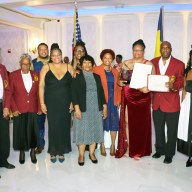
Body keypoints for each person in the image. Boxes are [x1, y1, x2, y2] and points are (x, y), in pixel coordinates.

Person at [115, 39, 155, 160]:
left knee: (140, 124)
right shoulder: (126, 62)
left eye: (140, 50)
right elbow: (119, 79)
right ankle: (129, 148)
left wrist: (148, 88)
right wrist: (119, 83)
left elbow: (153, 81)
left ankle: (139, 150)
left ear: (143, 51)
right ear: (132, 50)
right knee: (127, 123)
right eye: (135, 50)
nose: (137, 52)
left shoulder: (149, 64)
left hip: (142, 97)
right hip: (128, 96)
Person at [151, 41, 185, 164]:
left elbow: (181, 81)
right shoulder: (153, 62)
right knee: (158, 129)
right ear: (160, 49)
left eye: (167, 47)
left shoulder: (179, 64)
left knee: (171, 130)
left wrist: (173, 85)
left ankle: (169, 154)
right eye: (162, 47)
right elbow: (149, 78)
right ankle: (159, 150)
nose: (165, 49)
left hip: (172, 103)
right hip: (157, 102)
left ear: (171, 49)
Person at [39, 47, 74, 163]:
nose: (56, 57)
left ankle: (62, 150)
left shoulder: (69, 67)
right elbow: (41, 87)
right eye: (53, 55)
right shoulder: (46, 67)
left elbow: (75, 86)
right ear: (50, 56)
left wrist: (73, 102)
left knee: (64, 126)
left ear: (61, 54)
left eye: (58, 54)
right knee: (53, 126)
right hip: (51, 102)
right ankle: (53, 150)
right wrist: (42, 103)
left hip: (66, 102)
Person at [71, 55, 107, 166]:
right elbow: (74, 92)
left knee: (94, 129)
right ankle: (81, 155)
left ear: (92, 64)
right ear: (81, 65)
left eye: (89, 62)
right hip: (82, 107)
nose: (87, 65)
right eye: (84, 62)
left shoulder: (97, 76)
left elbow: (101, 92)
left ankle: (91, 153)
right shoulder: (77, 76)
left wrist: (104, 106)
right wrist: (76, 108)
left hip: (96, 108)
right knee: (82, 130)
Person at [9, 53, 41, 164]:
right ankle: (22, 152)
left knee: (33, 131)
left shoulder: (36, 75)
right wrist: (14, 108)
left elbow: (38, 93)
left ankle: (32, 152)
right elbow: (10, 94)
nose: (26, 67)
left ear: (30, 64)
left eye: (28, 64)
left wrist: (40, 107)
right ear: (20, 64)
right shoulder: (13, 75)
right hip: (19, 108)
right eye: (23, 64)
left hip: (32, 107)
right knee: (20, 131)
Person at [93, 49, 121, 156]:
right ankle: (102, 145)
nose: (108, 60)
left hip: (113, 101)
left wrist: (118, 100)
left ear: (113, 59)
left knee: (114, 123)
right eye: (105, 57)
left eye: (110, 58)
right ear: (102, 58)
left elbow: (118, 87)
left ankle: (113, 145)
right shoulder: (96, 70)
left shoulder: (115, 71)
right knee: (101, 123)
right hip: (101, 100)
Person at [32, 43, 49, 154]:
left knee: (54, 122)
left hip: (53, 96)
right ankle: (40, 144)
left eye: (45, 49)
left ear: (48, 50)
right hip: (39, 97)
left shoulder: (53, 61)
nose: (43, 51)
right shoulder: (33, 63)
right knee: (39, 122)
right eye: (41, 50)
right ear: (38, 51)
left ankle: (55, 144)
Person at [177, 49, 192, 167]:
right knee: (188, 129)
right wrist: (183, 104)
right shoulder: (187, 72)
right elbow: (185, 90)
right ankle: (190, 155)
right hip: (188, 103)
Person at [0, 63, 15, 170]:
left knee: (4, 135)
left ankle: (3, 161)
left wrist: (6, 107)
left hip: (2, 104)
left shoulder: (2, 68)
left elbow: (8, 89)